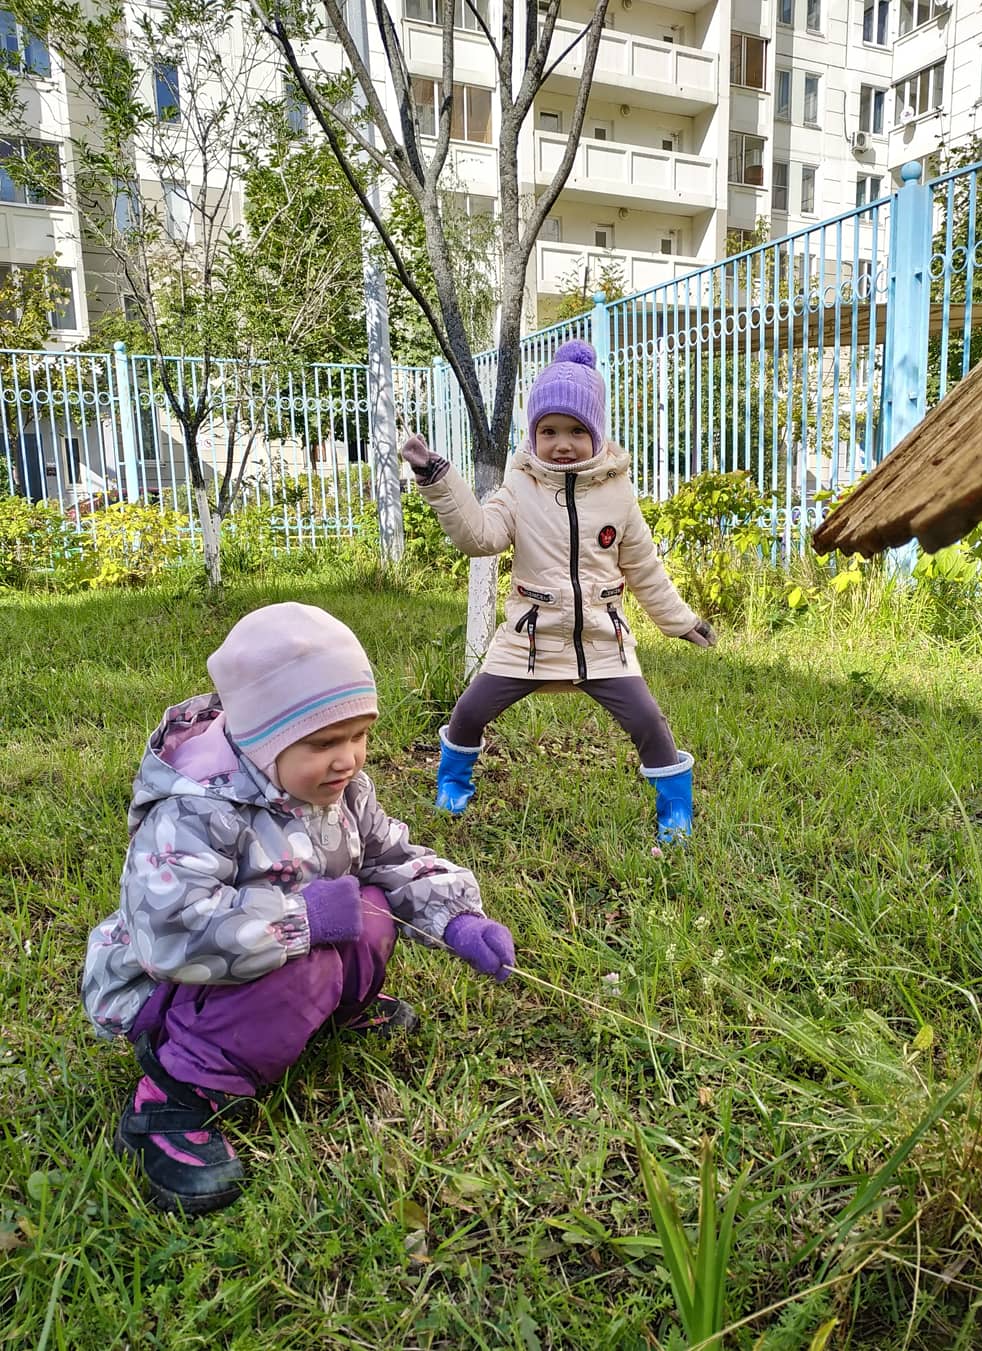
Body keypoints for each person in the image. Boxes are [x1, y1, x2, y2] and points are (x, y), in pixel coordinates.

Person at [81, 602, 515, 1216]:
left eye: (360, 735)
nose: (349, 759)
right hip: (169, 989)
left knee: (368, 906)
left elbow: (390, 858)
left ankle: (331, 1008)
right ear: (263, 739)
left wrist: (455, 917)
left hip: (280, 951)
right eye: (324, 743)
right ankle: (174, 1094)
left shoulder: (338, 790)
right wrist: (304, 920)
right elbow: (171, 932)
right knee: (315, 950)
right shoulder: (199, 810)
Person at [401, 339, 715, 843]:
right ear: (533, 434)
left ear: (597, 434)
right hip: (529, 639)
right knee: (469, 712)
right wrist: (438, 480)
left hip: (599, 640)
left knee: (650, 723)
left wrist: (681, 621)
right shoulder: (519, 487)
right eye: (548, 431)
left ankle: (675, 810)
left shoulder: (617, 492)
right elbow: (478, 536)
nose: (562, 443)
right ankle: (453, 783)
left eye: (575, 431)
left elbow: (644, 568)